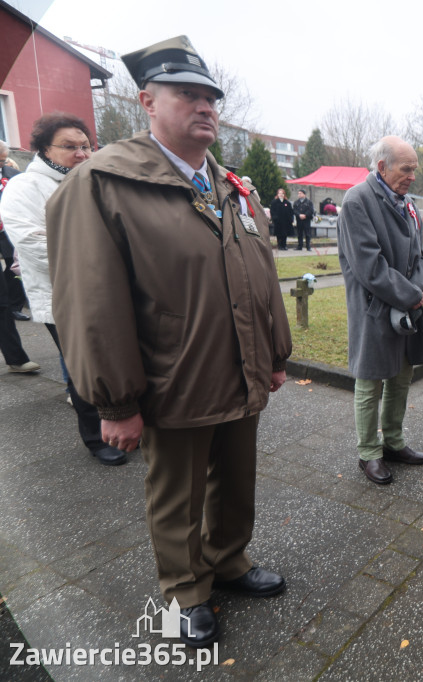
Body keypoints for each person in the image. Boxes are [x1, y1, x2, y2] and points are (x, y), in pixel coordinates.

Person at [46, 36, 292, 648]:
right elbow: (91, 304)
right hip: (171, 377)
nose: (205, 106)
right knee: (176, 494)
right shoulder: (101, 183)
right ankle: (185, 593)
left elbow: (259, 273)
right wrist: (116, 402)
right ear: (147, 101)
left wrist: (275, 354)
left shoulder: (229, 185)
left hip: (238, 367)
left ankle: (228, 561)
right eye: (189, 94)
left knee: (236, 480)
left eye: (211, 96)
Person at [2, 112, 132, 462]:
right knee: (84, 367)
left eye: (86, 146)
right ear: (44, 149)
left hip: (114, 291)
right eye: (70, 146)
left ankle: (128, 423)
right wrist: (102, 258)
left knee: (121, 359)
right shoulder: (24, 188)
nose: (81, 153)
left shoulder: (94, 181)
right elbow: (32, 243)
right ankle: (96, 437)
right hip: (65, 296)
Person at [337, 136, 423, 485]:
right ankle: (369, 452)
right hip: (374, 308)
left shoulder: (408, 204)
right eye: (406, 169)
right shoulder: (357, 201)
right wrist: (410, 295)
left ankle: (393, 442)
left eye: (414, 169)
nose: (412, 176)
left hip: (407, 306)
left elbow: (420, 254)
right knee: (371, 381)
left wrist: (417, 291)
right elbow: (369, 267)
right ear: (382, 167)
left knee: (401, 378)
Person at [0, 141, 39, 373]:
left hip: (8, 243)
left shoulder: (14, 177)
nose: (3, 163)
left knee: (2, 305)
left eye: (3, 159)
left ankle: (16, 359)